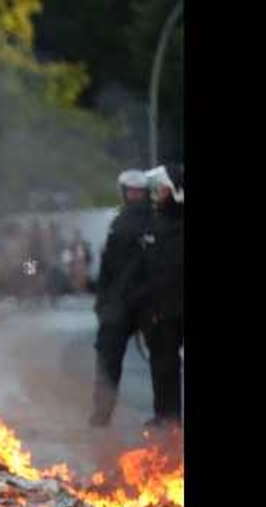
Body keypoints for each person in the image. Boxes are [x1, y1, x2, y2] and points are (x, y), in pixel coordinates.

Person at [90, 169, 151, 426]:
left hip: (146, 302)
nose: (135, 196)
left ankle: (167, 417)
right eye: (132, 191)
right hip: (121, 304)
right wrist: (102, 301)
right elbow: (107, 267)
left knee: (164, 364)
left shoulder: (154, 221)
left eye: (139, 192)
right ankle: (102, 413)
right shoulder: (118, 223)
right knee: (107, 358)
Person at [131, 164, 184, 426]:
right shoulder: (151, 225)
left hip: (175, 306)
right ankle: (167, 418)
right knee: (163, 367)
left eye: (162, 189)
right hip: (160, 313)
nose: (157, 194)